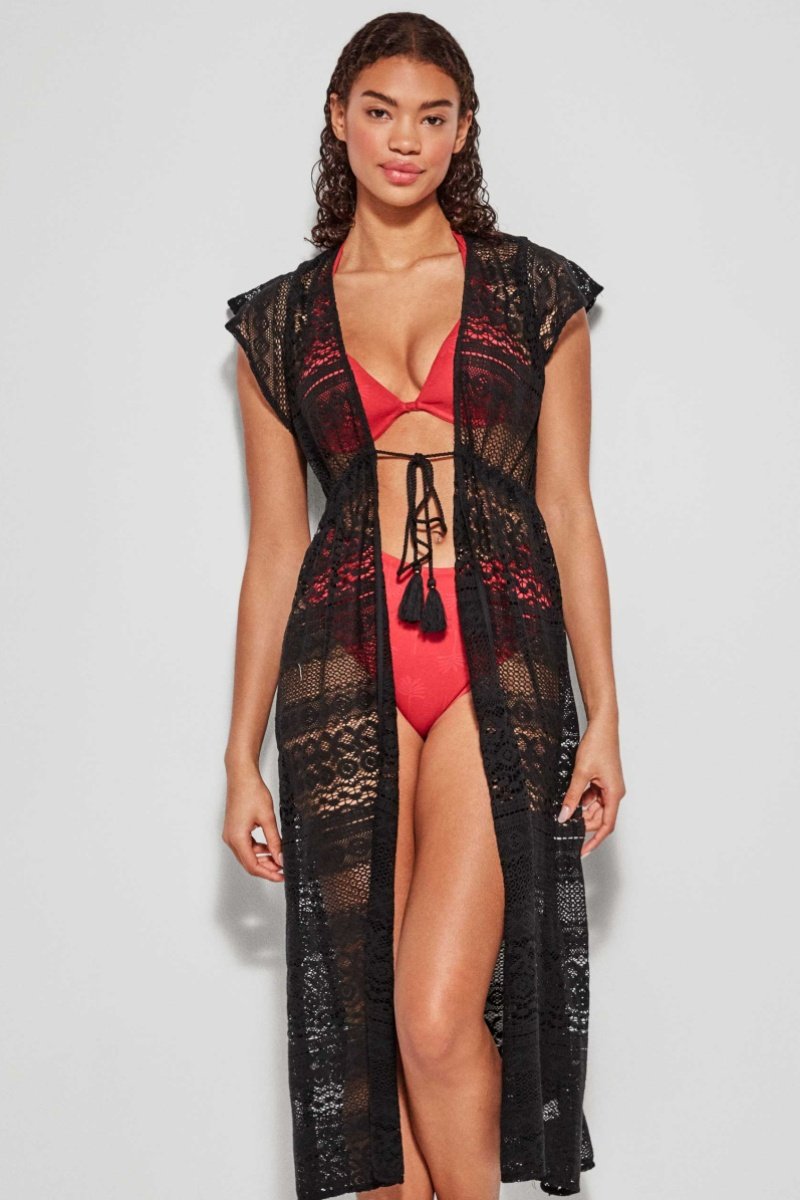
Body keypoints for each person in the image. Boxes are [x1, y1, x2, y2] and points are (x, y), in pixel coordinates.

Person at [222, 13, 625, 1200]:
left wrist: (605, 714)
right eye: (380, 111)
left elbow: (566, 508)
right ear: (338, 120)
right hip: (341, 666)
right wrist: (237, 756)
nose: (404, 139)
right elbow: (273, 549)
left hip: (497, 662)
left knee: (436, 1017)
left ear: (461, 133)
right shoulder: (277, 323)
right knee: (366, 1034)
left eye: (431, 116)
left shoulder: (533, 290)